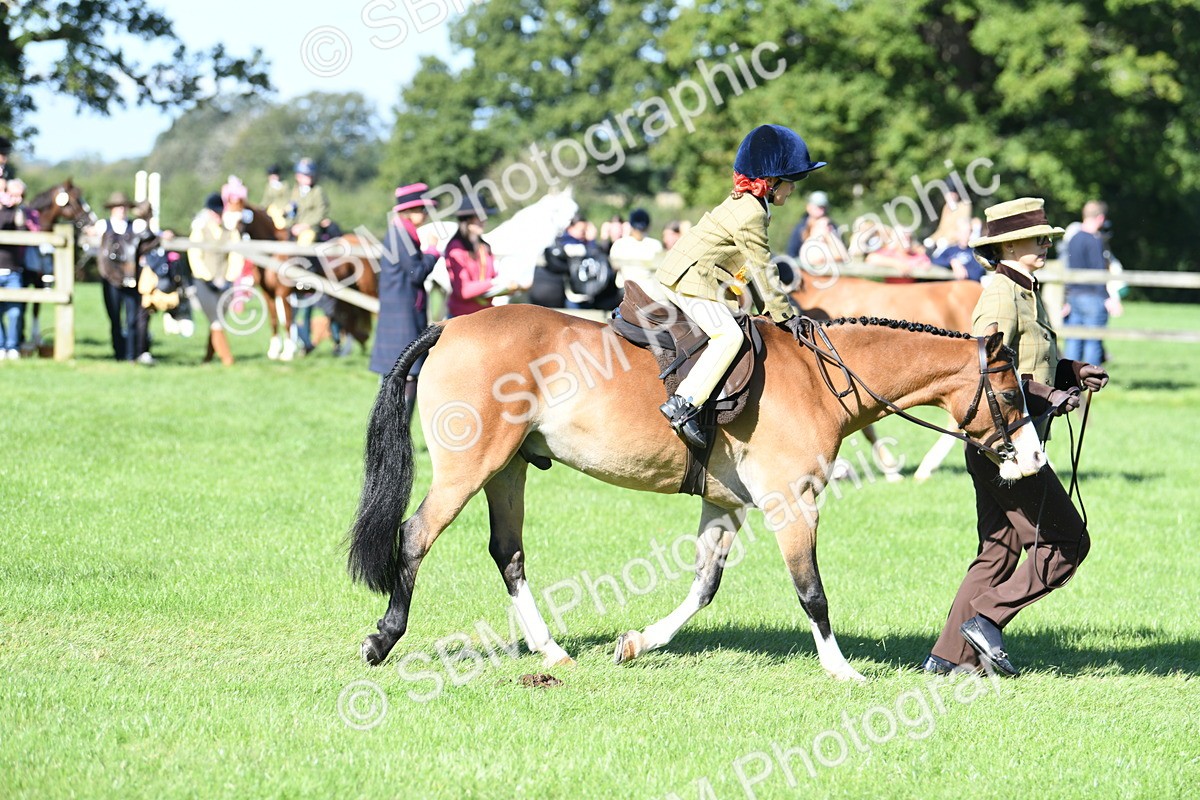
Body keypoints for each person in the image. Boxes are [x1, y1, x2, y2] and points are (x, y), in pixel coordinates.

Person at [922, 197, 1109, 678]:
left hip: (1009, 442)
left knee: (999, 550)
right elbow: (986, 370)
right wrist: (1050, 393)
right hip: (1005, 446)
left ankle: (946, 661)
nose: (1046, 244)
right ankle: (987, 619)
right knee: (1068, 542)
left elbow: (1032, 360)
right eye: (1038, 237)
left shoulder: (1027, 290)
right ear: (1008, 245)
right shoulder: (1001, 293)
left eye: (1047, 236)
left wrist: (1074, 371)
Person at [655, 124, 819, 448]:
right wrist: (786, 317)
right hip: (688, 279)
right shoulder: (750, 214)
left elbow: (750, 269)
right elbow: (762, 267)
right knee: (728, 336)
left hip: (697, 275)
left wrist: (770, 313)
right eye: (792, 182)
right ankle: (683, 405)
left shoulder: (752, 206)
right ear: (771, 182)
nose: (794, 190)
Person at [370, 183, 442, 418]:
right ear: (410, 210)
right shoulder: (401, 234)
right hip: (402, 314)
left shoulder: (402, 231)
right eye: (422, 209)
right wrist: (432, 251)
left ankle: (392, 431)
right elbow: (416, 273)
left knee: (401, 374)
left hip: (402, 312)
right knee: (406, 374)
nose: (425, 214)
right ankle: (394, 431)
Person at [187, 193, 240, 365]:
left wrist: (229, 278)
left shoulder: (230, 232)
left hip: (224, 281)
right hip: (204, 282)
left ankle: (208, 357)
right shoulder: (200, 231)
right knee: (215, 320)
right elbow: (195, 255)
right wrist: (207, 277)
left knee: (218, 320)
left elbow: (236, 255)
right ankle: (227, 358)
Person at [444, 195, 518, 317]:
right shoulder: (455, 248)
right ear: (466, 220)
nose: (483, 221)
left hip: (485, 314)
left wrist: (509, 287)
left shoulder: (485, 247)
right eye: (478, 217)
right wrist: (495, 282)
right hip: (461, 317)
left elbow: (490, 280)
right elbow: (464, 291)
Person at [1062, 200, 1110, 366]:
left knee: (1073, 341)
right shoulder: (1094, 240)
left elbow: (1067, 268)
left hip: (1074, 296)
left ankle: (1067, 382)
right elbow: (1099, 271)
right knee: (1093, 342)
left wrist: (1066, 299)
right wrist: (1107, 297)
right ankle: (1092, 381)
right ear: (1101, 218)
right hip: (1092, 297)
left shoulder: (1073, 239)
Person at [0, 180, 27, 358]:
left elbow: (21, 230)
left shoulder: (18, 213)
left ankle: (13, 346)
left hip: (12, 270)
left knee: (15, 312)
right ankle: (1, 346)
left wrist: (16, 209)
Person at [608, 207, 663, 292]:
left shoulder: (620, 244)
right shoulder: (655, 245)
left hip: (627, 293)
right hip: (650, 294)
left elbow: (613, 268)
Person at [785, 190, 839, 259]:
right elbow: (792, 254)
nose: (821, 211)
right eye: (818, 207)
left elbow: (842, 251)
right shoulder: (800, 227)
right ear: (808, 207)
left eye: (823, 207)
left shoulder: (831, 226)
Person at [288, 158, 329, 246]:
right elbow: (291, 209)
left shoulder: (317, 191)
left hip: (310, 228)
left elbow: (320, 212)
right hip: (295, 227)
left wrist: (304, 226)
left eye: (310, 175)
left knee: (305, 240)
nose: (308, 177)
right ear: (298, 176)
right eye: (305, 175)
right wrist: (291, 224)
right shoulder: (295, 191)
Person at [260, 165, 290, 230]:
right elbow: (266, 200)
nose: (273, 177)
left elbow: (287, 198)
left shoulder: (284, 185)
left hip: (281, 208)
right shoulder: (269, 186)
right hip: (271, 209)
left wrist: (284, 208)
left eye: (274, 175)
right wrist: (261, 208)